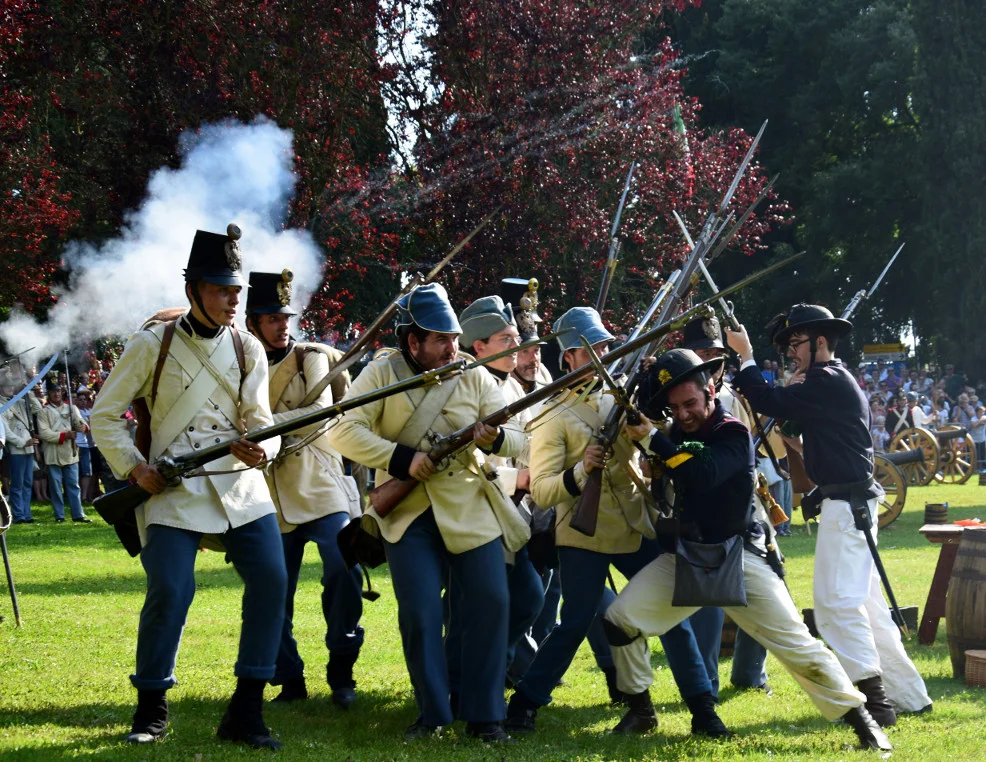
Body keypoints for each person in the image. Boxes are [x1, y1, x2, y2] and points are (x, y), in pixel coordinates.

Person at [601, 348, 891, 751]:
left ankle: (865, 723)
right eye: (675, 407)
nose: (683, 413)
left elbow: (702, 474)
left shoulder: (733, 432)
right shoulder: (677, 433)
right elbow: (671, 450)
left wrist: (653, 439)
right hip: (689, 555)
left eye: (690, 403)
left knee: (798, 647)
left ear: (710, 391)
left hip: (739, 557)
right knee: (620, 620)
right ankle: (641, 709)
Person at [91, 225, 288, 749]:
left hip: (239, 486)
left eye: (237, 291)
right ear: (193, 290)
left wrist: (263, 449)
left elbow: (262, 422)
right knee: (171, 591)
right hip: (171, 489)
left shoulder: (248, 348)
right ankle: (151, 707)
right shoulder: (151, 345)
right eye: (223, 290)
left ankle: (247, 710)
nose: (234, 300)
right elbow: (104, 415)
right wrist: (135, 470)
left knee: (273, 580)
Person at [504, 307, 724, 738]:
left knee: (672, 615)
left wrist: (652, 392)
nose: (602, 354)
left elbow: (659, 436)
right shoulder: (553, 415)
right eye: (591, 349)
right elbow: (543, 491)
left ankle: (703, 709)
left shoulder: (624, 395)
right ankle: (524, 703)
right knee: (575, 622)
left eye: (605, 346)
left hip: (634, 525)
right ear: (569, 356)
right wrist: (581, 470)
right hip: (582, 534)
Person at [328, 283, 524, 742]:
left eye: (453, 338)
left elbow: (517, 435)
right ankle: (433, 713)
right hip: (408, 513)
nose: (451, 348)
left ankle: (486, 716)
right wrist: (402, 460)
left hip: (469, 505)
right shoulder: (382, 373)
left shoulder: (474, 376)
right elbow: (343, 429)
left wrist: (494, 438)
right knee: (419, 614)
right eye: (440, 340)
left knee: (492, 603)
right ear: (412, 341)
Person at [725, 303, 932, 726]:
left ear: (820, 341)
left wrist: (745, 356)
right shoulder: (829, 380)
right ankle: (909, 696)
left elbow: (765, 398)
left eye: (795, 343)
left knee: (836, 605)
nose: (791, 353)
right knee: (867, 607)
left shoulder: (826, 380)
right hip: (847, 505)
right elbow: (817, 436)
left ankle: (876, 705)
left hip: (847, 508)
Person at [244, 270, 365, 709]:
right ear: (253, 322)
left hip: (318, 480)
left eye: (285, 317)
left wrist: (261, 426)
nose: (282, 325)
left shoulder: (309, 356)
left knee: (344, 567)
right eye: (272, 318)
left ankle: (342, 667)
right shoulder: (240, 362)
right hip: (266, 489)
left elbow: (320, 410)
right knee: (270, 588)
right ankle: (288, 677)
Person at [37, 385, 91, 523]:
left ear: (61, 393)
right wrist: (65, 435)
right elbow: (44, 433)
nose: (56, 394)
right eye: (53, 391)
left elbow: (80, 423)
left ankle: (78, 514)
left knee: (74, 485)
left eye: (58, 391)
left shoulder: (72, 408)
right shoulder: (43, 412)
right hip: (52, 453)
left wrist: (83, 426)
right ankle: (59, 515)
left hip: (69, 451)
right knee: (56, 488)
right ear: (49, 393)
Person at [0, 372, 41, 524]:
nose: (10, 389)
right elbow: (6, 432)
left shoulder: (20, 401)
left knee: (28, 483)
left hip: (29, 448)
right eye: (7, 386)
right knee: (17, 485)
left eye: (12, 386)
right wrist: (23, 442)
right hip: (17, 448)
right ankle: (18, 515)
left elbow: (38, 409)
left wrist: (28, 391)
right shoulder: (1, 406)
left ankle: (26, 513)